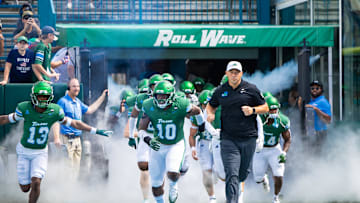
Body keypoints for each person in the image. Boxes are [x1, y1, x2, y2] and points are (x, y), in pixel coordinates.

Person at [0, 81, 112, 203]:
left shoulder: (54, 111)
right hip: (24, 151)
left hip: (40, 152)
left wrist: (95, 130)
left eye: (45, 97)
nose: (43, 100)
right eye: (40, 96)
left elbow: (74, 122)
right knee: (25, 188)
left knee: (36, 182)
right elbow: (6, 118)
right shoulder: (24, 108)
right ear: (33, 96)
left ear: (50, 98)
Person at [206, 61, 269, 203]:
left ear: (241, 74)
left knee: (242, 174)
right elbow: (210, 106)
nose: (234, 75)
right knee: (231, 174)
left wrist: (253, 110)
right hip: (228, 139)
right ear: (226, 74)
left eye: (237, 72)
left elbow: (265, 107)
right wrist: (210, 114)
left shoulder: (251, 89)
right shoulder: (221, 91)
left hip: (248, 138)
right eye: (231, 72)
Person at [139, 80, 206, 203]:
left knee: (173, 172)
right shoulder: (149, 105)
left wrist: (202, 125)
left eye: (164, 96)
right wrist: (148, 139)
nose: (161, 99)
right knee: (156, 185)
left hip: (175, 144)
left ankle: (173, 186)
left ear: (171, 96)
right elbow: (141, 128)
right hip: (158, 146)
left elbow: (197, 110)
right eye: (158, 96)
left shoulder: (181, 104)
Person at [57, 78, 109, 179]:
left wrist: (102, 97)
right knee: (67, 170)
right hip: (66, 139)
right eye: (74, 86)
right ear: (69, 88)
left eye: (77, 86)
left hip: (77, 140)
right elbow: (57, 120)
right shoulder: (62, 102)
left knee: (76, 171)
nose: (76, 88)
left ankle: (72, 191)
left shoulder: (78, 102)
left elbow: (90, 109)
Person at [128, 74, 163, 203]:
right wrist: (131, 136)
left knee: (160, 169)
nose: (157, 90)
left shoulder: (171, 99)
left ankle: (159, 198)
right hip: (145, 135)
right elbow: (132, 116)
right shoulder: (142, 98)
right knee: (144, 166)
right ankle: (146, 199)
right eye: (154, 86)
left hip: (161, 137)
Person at [253, 96, 291, 203]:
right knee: (257, 178)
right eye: (271, 109)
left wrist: (284, 152)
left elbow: (287, 139)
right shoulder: (258, 119)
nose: (273, 112)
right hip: (260, 150)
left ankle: (276, 197)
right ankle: (263, 178)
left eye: (275, 109)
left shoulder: (282, 120)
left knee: (279, 174)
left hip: (274, 149)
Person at [305, 80, 331, 153]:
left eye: (317, 88)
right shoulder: (311, 101)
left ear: (321, 89)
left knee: (317, 154)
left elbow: (328, 120)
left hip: (319, 132)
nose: (314, 90)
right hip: (311, 132)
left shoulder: (323, 102)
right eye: (312, 88)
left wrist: (316, 109)